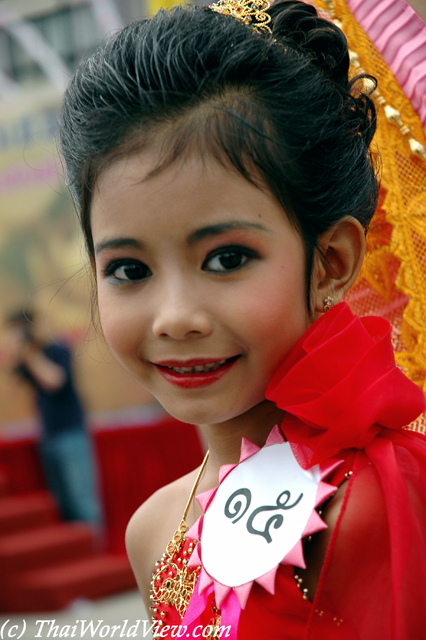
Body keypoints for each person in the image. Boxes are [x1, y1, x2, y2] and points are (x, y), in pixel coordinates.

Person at [58, 1, 426, 637]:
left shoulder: (377, 500)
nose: (175, 317)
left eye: (227, 258)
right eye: (128, 269)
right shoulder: (153, 530)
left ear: (331, 262)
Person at [1, 309, 101, 528]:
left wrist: (30, 354)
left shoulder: (57, 349)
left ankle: (94, 552)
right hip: (49, 436)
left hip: (71, 433)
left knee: (83, 501)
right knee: (64, 504)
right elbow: (11, 386)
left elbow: (54, 381)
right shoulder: (28, 360)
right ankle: (78, 549)